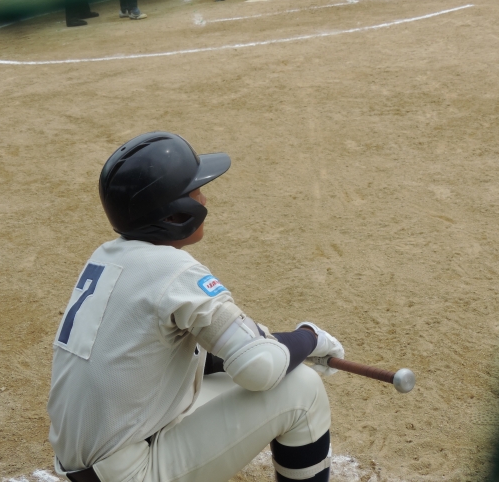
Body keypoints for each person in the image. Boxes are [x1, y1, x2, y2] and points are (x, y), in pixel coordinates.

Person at [47, 131, 345, 482]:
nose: (204, 198)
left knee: (223, 373)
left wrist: (278, 343)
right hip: (131, 472)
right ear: (175, 214)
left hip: (93, 461)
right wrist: (309, 337)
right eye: (195, 191)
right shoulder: (174, 271)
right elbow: (260, 369)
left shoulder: (107, 259)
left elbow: (205, 357)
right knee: (302, 389)